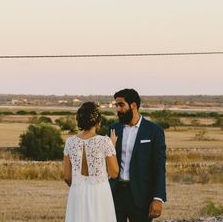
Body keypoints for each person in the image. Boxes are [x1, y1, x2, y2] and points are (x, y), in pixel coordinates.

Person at [109, 88, 167, 222]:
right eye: (116, 105)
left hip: (142, 196)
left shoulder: (154, 131)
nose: (118, 109)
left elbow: (159, 167)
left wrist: (158, 198)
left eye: (121, 105)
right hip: (115, 194)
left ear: (133, 105)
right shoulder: (113, 129)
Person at [64, 101, 120, 222]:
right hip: (99, 193)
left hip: (76, 192)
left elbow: (67, 177)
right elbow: (114, 172)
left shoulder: (70, 142)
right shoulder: (105, 142)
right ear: (98, 122)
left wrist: (77, 186)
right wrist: (112, 146)